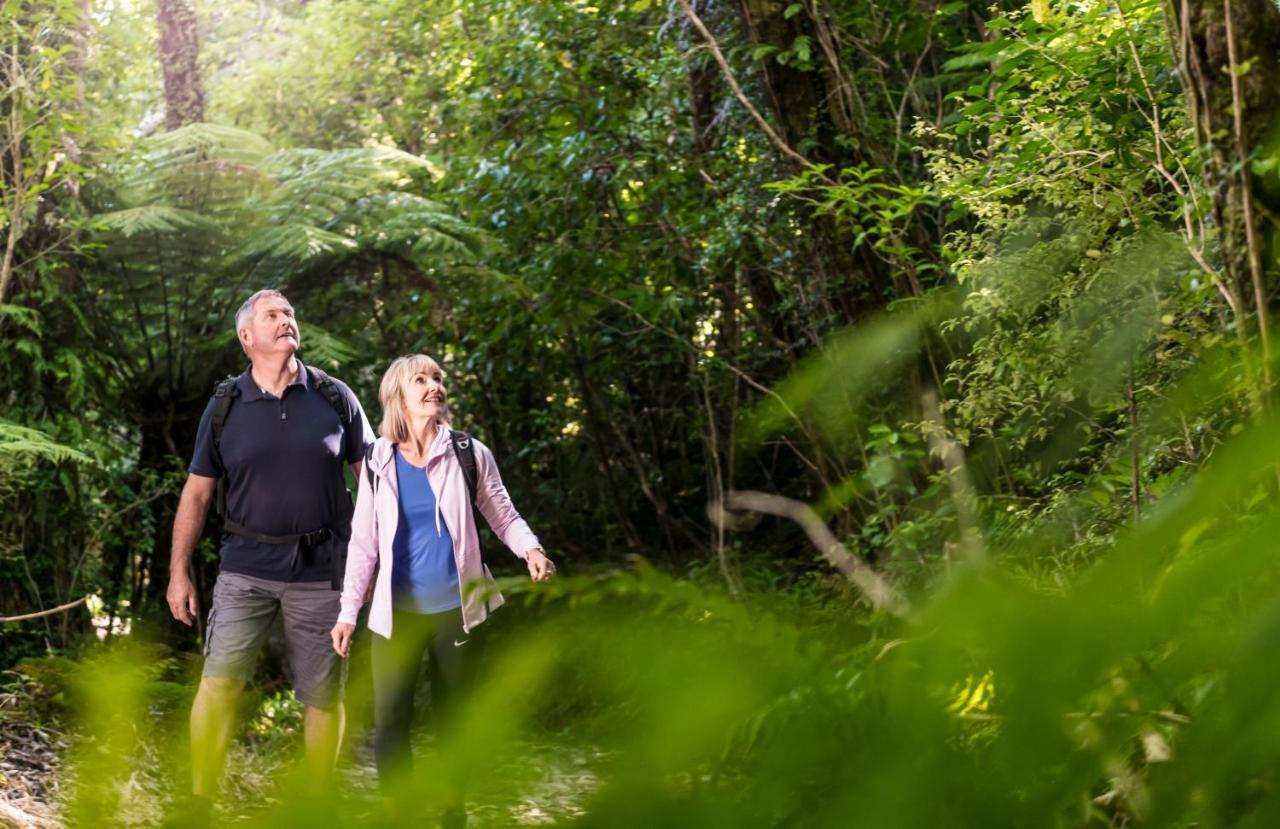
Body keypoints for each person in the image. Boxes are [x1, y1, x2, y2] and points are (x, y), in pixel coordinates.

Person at [165, 289, 371, 824]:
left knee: (322, 696)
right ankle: (200, 804)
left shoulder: (334, 397)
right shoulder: (225, 405)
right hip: (244, 568)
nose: (286, 321)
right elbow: (197, 494)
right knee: (219, 681)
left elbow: (375, 485)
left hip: (325, 570)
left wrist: (388, 560)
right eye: (273, 315)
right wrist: (178, 573)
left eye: (290, 314)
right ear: (246, 337)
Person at [331, 353, 553, 827]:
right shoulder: (377, 461)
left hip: (457, 610)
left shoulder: (469, 453)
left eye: (437, 378)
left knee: (453, 720)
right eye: (421, 380)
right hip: (397, 614)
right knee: (392, 720)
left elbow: (502, 514)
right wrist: (349, 611)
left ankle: (454, 810)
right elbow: (364, 544)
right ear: (398, 396)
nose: (434, 386)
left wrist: (530, 550)